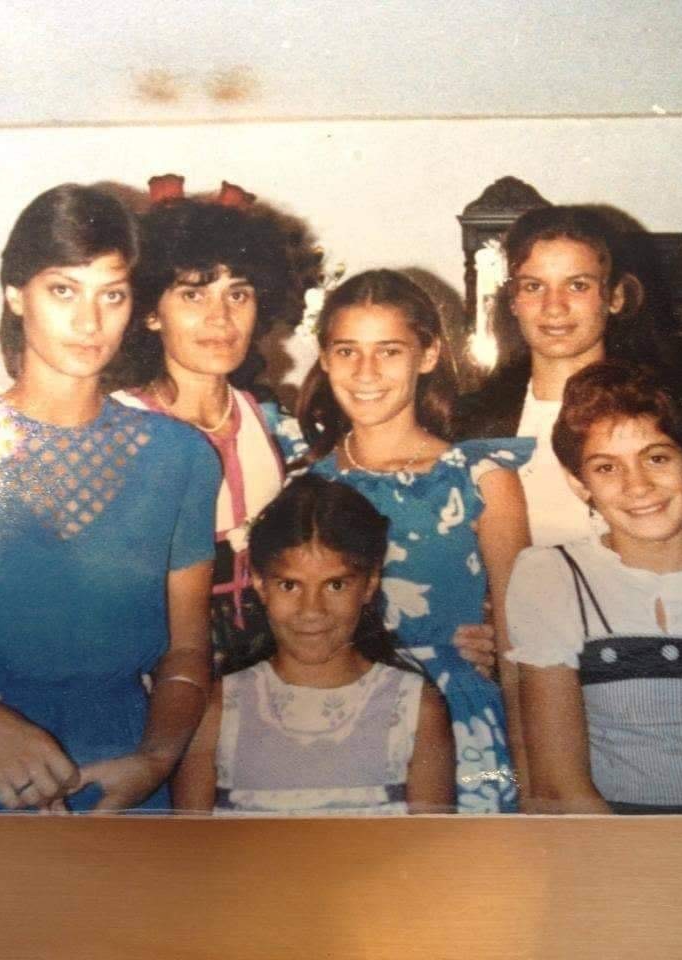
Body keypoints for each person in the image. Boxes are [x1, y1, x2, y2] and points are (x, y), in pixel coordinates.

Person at [0, 183, 220, 812]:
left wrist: (154, 761)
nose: (89, 322)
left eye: (112, 294)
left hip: (122, 771)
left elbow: (186, 648)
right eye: (63, 290)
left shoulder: (178, 457)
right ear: (16, 294)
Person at [295, 269, 532, 813]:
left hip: (463, 729)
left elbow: (522, 644)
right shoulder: (307, 488)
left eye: (390, 351)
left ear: (427, 355)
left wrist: (530, 767)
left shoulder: (481, 478)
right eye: (347, 351)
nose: (367, 372)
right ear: (325, 359)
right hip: (336, 723)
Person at [507, 360, 682, 814]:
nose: (637, 486)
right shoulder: (553, 576)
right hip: (605, 846)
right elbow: (560, 786)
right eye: (606, 468)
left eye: (657, 458)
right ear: (578, 483)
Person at [112, 178, 304, 676]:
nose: (221, 318)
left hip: (270, 668)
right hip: (153, 672)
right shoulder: (115, 430)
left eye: (238, 294)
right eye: (194, 295)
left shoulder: (276, 426)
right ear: (152, 313)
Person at [174, 476, 455, 815]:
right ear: (261, 584)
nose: (312, 611)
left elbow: (432, 856)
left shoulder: (414, 707)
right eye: (290, 585)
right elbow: (192, 854)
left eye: (335, 585)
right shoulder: (217, 709)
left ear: (369, 584)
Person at [458, 205, 663, 547]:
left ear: (614, 296)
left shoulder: (657, 412)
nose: (554, 307)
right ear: (513, 300)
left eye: (578, 285)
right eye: (534, 286)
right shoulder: (473, 423)